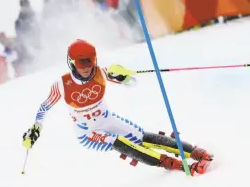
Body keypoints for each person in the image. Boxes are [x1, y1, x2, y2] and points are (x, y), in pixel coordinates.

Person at [22, 39, 213, 176]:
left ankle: (193, 151)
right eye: (82, 62)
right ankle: (176, 165)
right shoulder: (62, 84)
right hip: (87, 132)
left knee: (143, 137)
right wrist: (35, 129)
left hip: (108, 120)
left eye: (90, 60)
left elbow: (132, 83)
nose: (87, 67)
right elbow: (44, 108)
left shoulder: (101, 73)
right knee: (119, 142)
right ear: (72, 62)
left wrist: (124, 76)